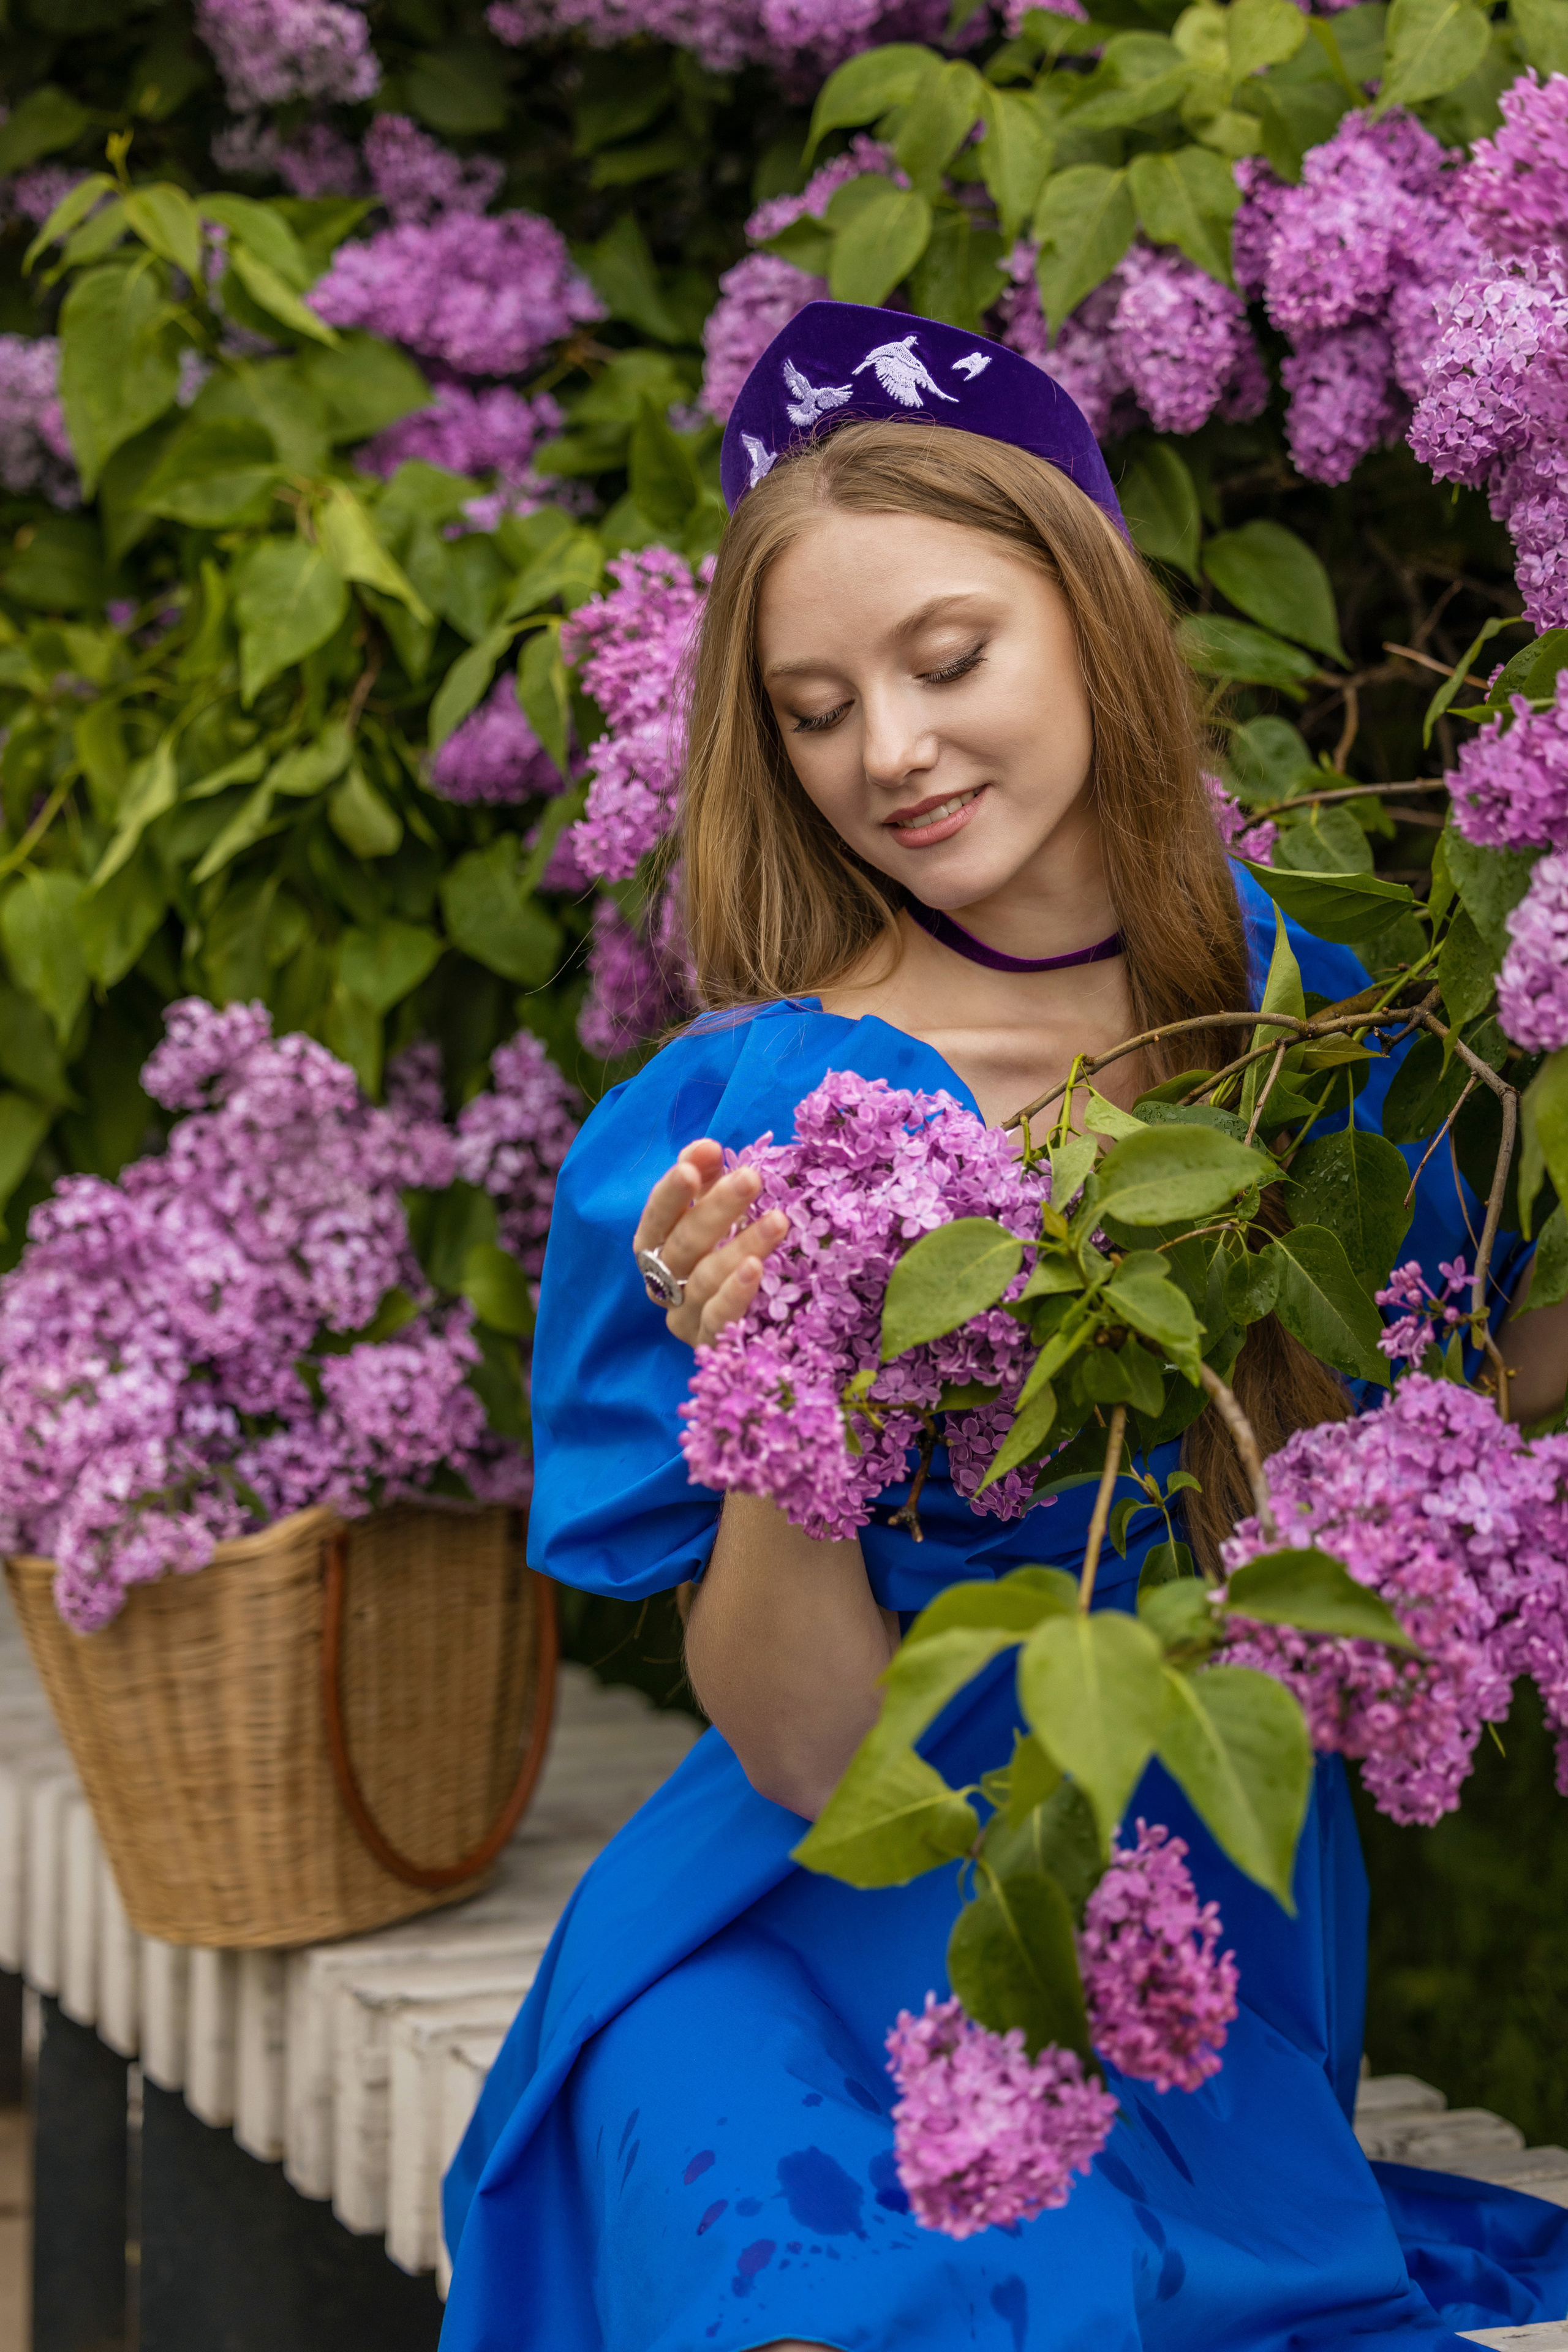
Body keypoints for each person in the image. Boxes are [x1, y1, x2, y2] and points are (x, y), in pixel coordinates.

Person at [439, 301, 1568, 2352]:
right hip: (788, 1930)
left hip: (1155, 1914)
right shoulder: (746, 1126)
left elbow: (1436, 1404)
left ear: (1093, 619)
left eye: (946, 658)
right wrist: (784, 1388)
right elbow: (803, 1752)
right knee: (818, 2302)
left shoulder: (1313, 1022)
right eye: (812, 706)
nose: (889, 749)